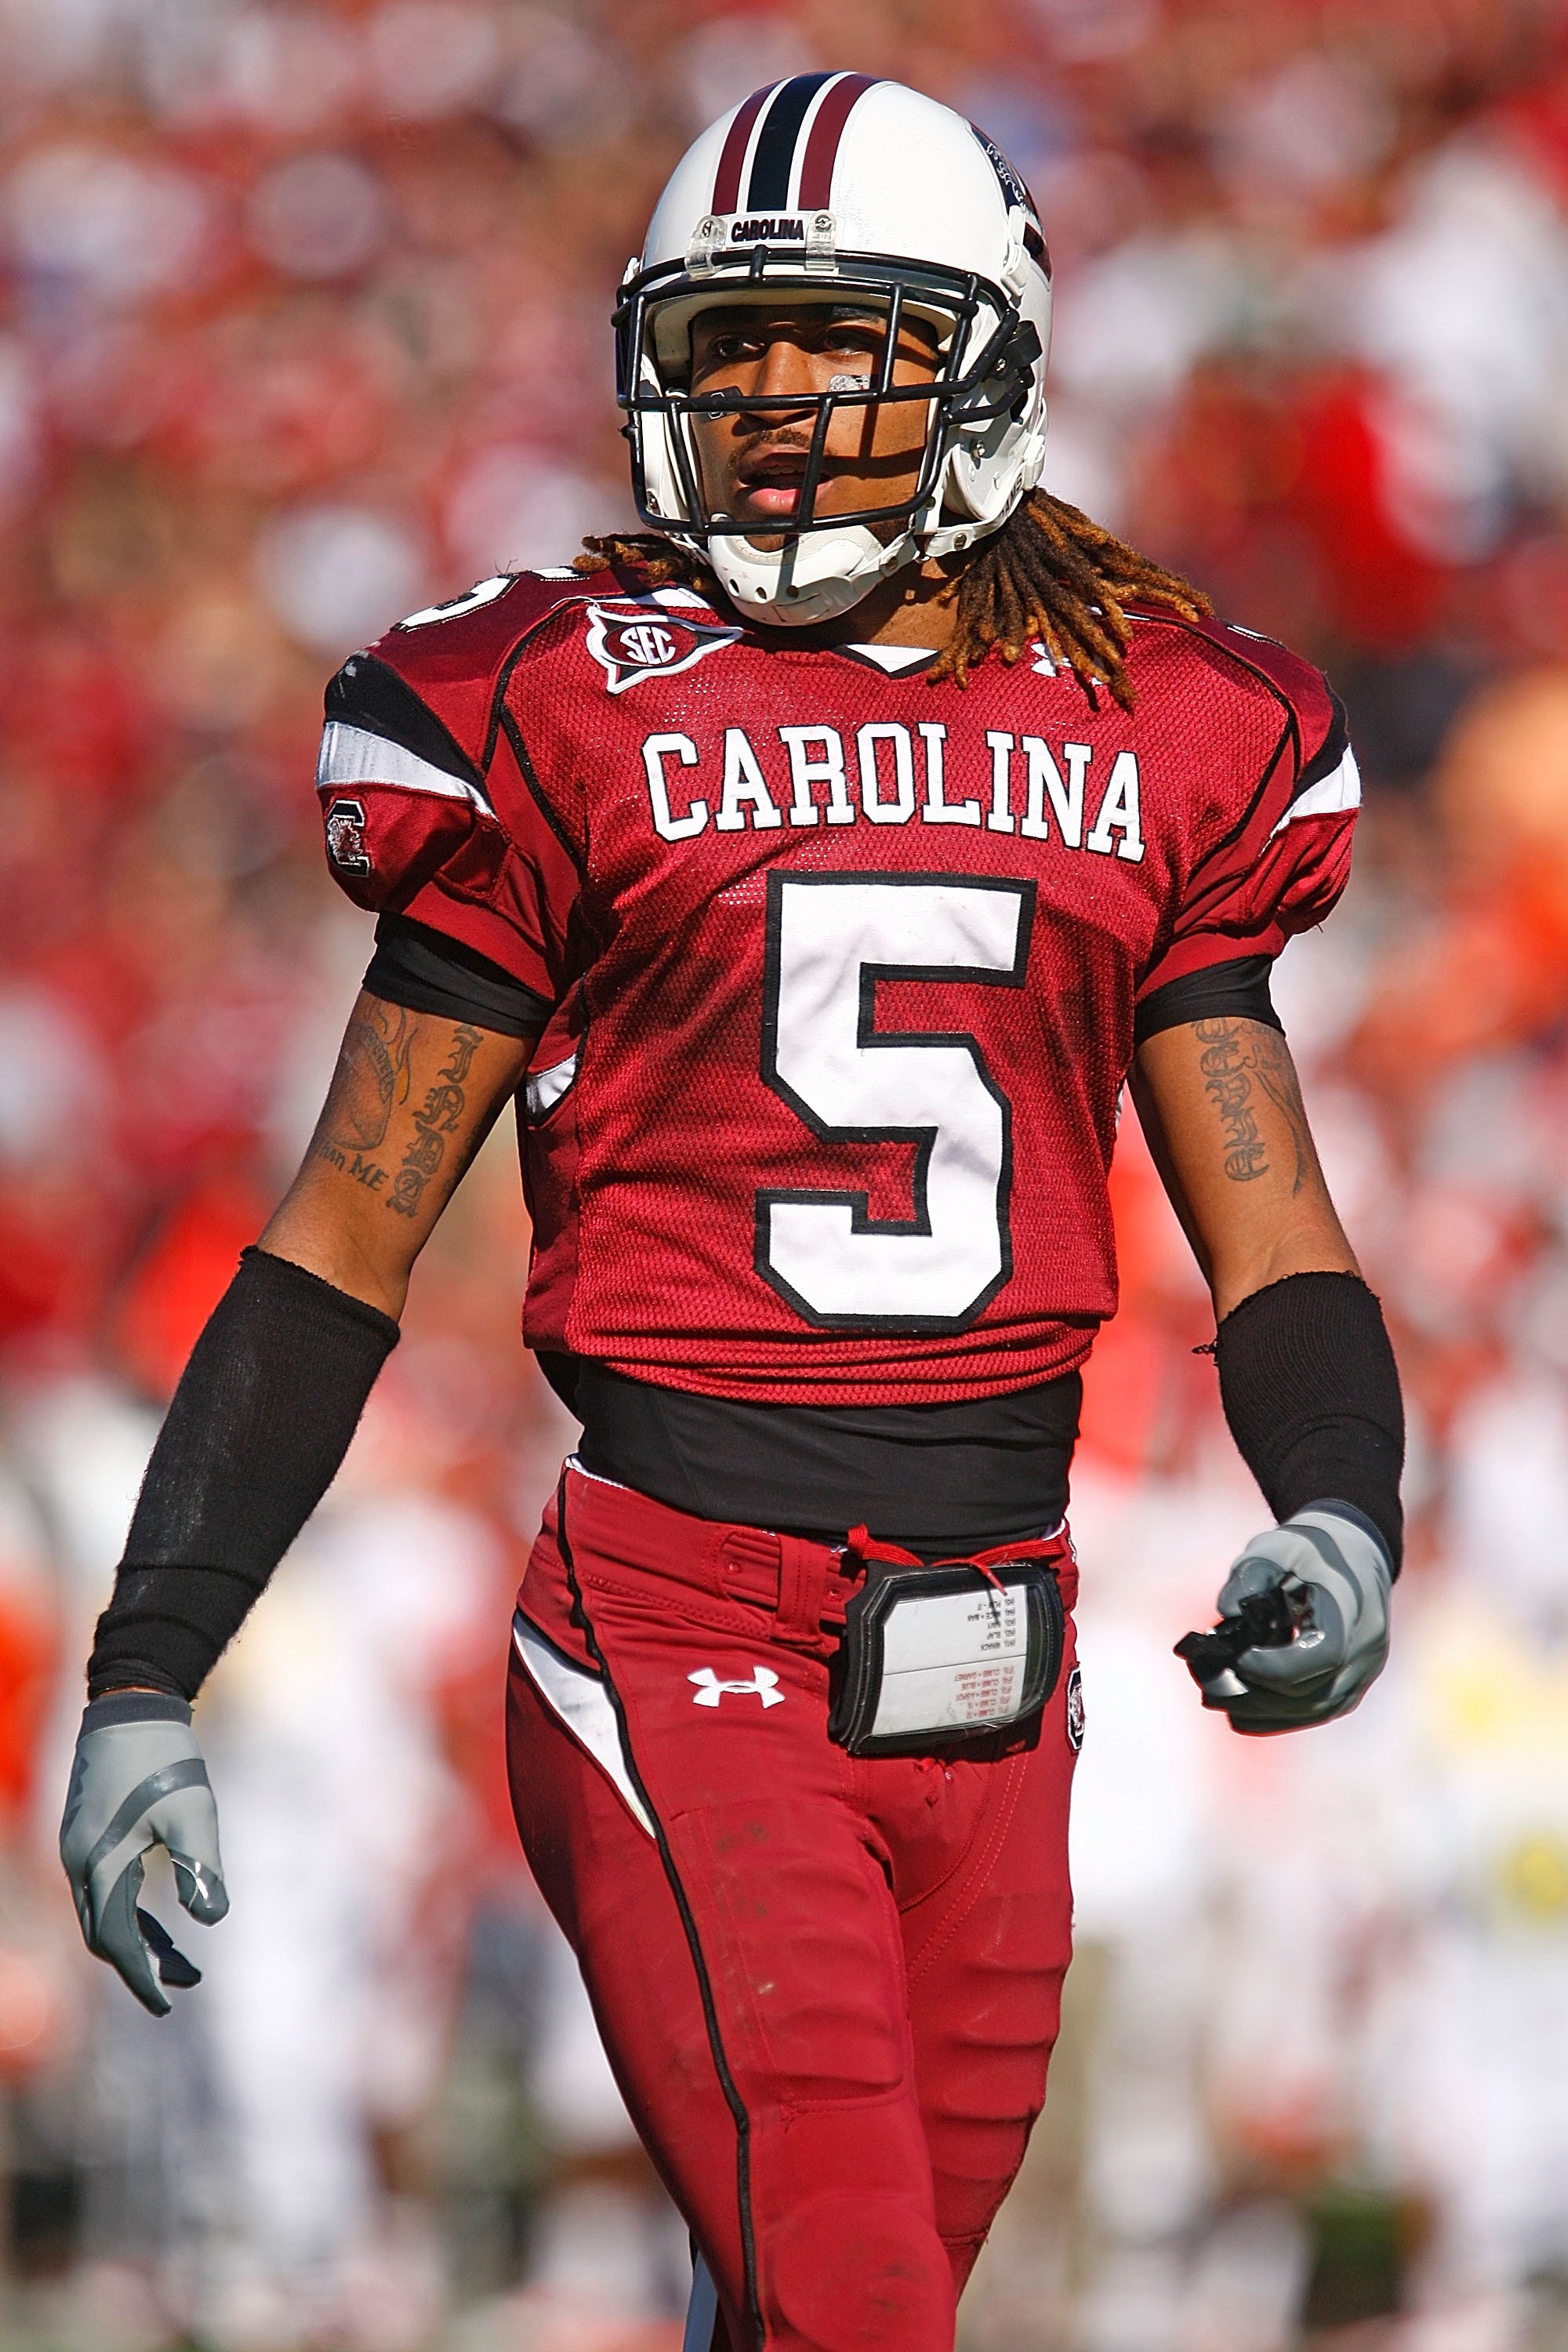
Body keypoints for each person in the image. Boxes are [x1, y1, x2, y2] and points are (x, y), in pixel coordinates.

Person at [59, 75, 1403, 2352]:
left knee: (819, 2315)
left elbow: (1270, 1218)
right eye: (730, 345)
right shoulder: (557, 701)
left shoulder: (1158, 715)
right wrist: (149, 1670)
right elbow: (346, 1230)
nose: (773, 402)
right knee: (857, 2311)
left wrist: (1346, 1506)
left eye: (838, 342)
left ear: (986, 359)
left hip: (1008, 1653)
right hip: (684, 1620)